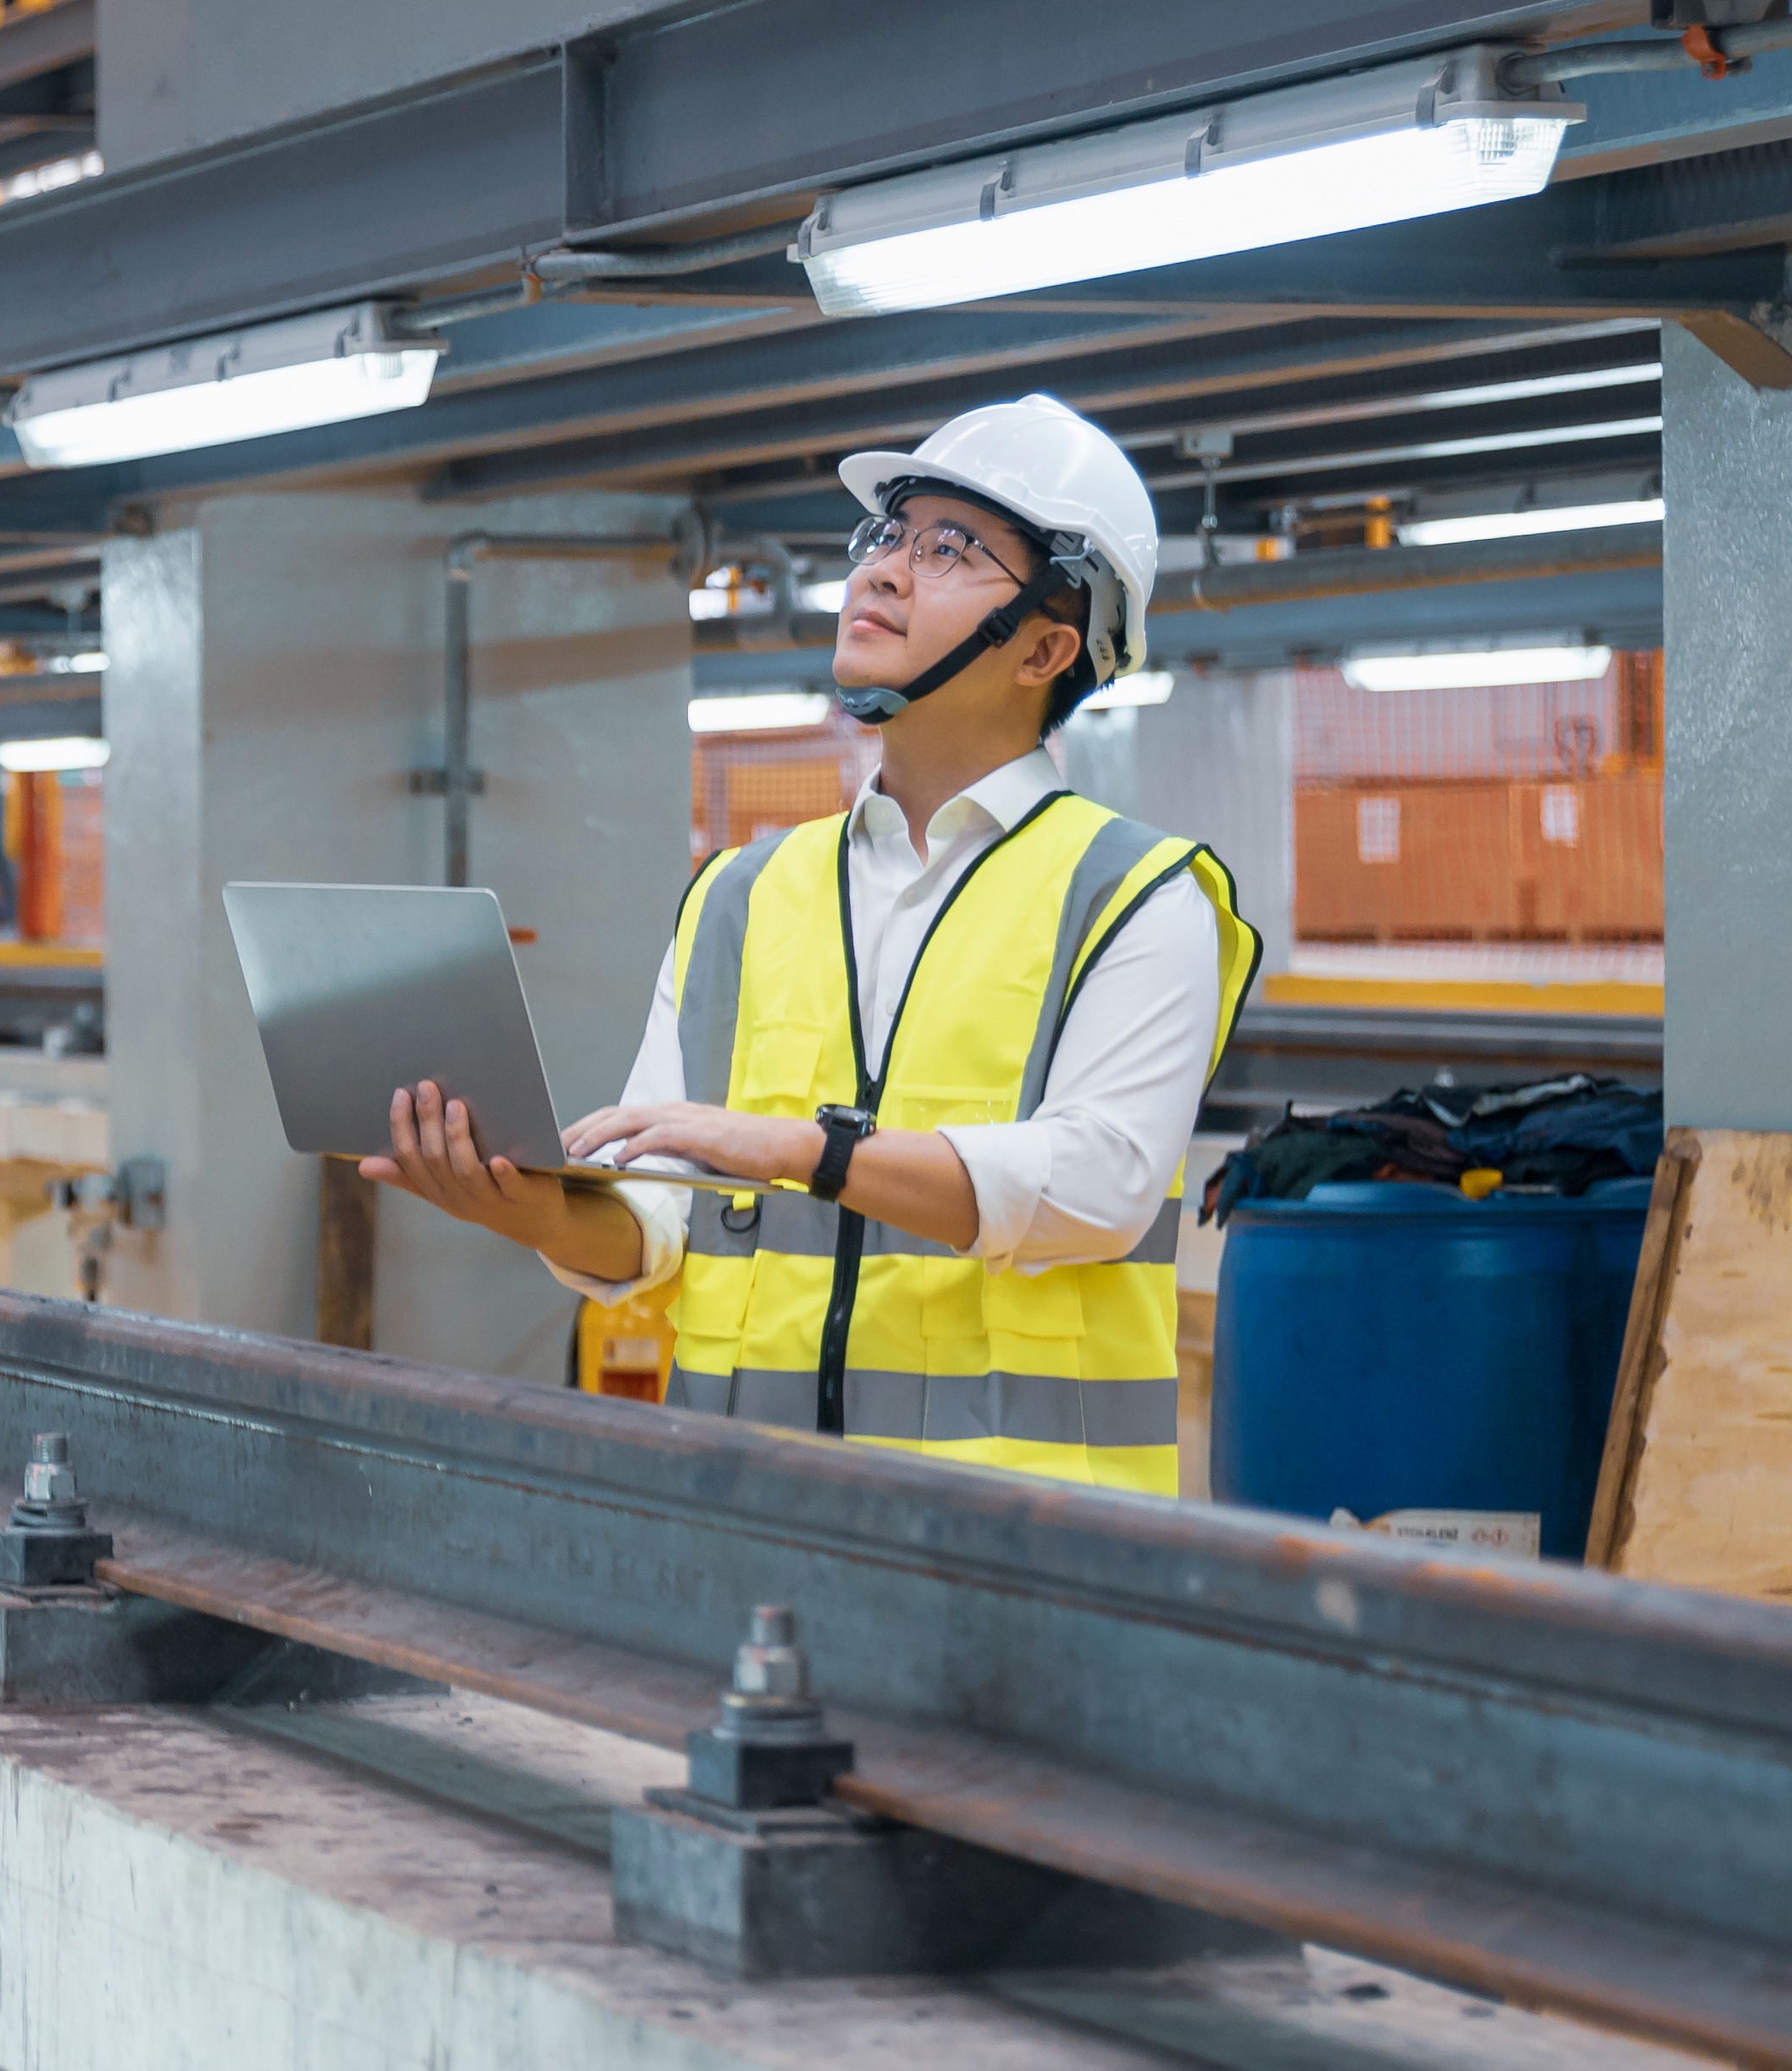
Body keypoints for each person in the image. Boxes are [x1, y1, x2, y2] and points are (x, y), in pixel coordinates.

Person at [359, 395, 1256, 1495]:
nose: (882, 571)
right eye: (887, 538)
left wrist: (802, 1151)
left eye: (949, 548)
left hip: (1025, 1549)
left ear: (1047, 649)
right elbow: (658, 1214)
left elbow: (1100, 1187)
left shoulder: (1138, 897)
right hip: (750, 1522)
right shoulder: (740, 894)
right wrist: (528, 1205)